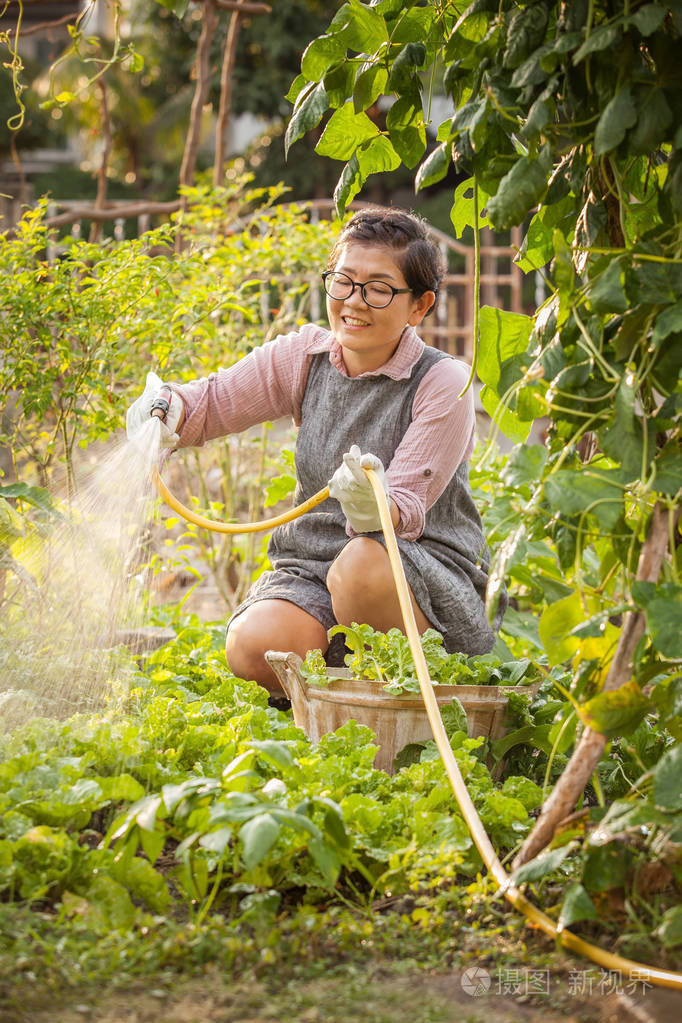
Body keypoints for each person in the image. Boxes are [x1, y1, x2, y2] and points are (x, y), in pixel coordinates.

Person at [127, 207, 505, 695]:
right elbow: (213, 402)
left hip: (416, 572)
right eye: (343, 281)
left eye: (378, 288)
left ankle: (395, 704)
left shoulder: (443, 382)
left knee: (361, 565)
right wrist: (168, 409)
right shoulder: (305, 358)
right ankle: (336, 703)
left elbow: (404, 512)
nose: (354, 302)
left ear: (420, 305)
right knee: (255, 644)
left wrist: (374, 504)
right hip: (313, 567)